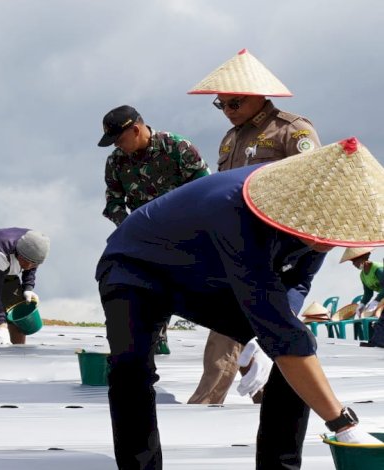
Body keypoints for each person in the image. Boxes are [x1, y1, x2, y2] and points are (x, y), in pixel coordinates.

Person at [96, 138, 383, 469]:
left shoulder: (322, 226)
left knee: (297, 346)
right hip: (136, 267)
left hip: (205, 275)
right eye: (320, 231)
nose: (323, 242)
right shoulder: (238, 210)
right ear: (302, 205)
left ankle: (279, 466)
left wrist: (279, 325)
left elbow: (297, 283)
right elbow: (267, 307)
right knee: (131, 367)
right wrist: (342, 423)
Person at [186, 49, 322, 405]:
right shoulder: (231, 139)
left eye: (234, 103)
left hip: (280, 242)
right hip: (236, 240)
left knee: (251, 320)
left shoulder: (292, 130)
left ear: (259, 96)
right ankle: (264, 395)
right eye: (222, 105)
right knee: (243, 319)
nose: (228, 111)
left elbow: (315, 185)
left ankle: (207, 401)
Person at [98, 104, 210, 355]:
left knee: (180, 287)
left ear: (136, 130)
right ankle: (149, 340)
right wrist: (127, 227)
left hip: (184, 233)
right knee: (135, 285)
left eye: (119, 139)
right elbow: (114, 202)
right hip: (142, 236)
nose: (117, 145)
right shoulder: (115, 162)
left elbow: (207, 192)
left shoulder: (178, 148)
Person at [340, 247, 384, 318]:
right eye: (352, 262)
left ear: (363, 258)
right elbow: (368, 293)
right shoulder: (362, 275)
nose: (353, 264)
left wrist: (376, 301)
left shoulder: (379, 269)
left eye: (355, 260)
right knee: (365, 315)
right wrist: (362, 304)